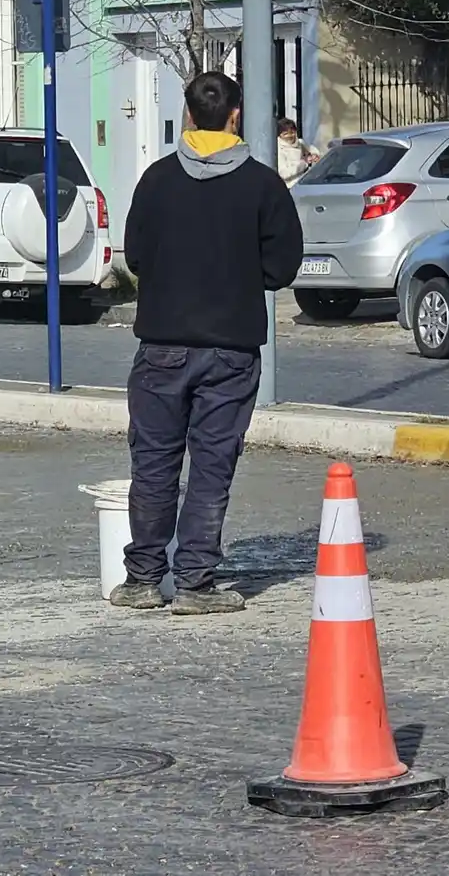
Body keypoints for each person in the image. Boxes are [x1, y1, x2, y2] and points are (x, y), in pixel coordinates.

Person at [113, 72, 304, 614]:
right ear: (236, 116)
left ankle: (143, 579)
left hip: (161, 349)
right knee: (212, 465)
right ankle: (195, 583)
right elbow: (283, 266)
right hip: (231, 348)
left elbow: (136, 256)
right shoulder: (263, 186)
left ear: (188, 115)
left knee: (153, 464)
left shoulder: (156, 180)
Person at [276, 116, 319, 186]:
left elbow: (313, 149)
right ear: (279, 135)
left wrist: (314, 155)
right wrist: (304, 163)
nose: (289, 136)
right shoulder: (279, 149)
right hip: (290, 187)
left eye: (292, 132)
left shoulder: (300, 143)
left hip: (305, 182)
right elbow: (283, 174)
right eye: (285, 134)